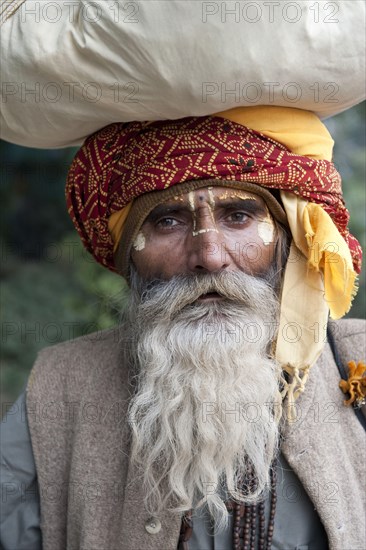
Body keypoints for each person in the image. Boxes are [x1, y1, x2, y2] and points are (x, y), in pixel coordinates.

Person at [1, 106, 365, 550]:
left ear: (287, 240)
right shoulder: (60, 385)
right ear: (127, 253)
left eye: (238, 216)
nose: (209, 255)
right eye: (167, 221)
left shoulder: (356, 359)